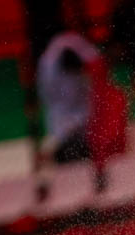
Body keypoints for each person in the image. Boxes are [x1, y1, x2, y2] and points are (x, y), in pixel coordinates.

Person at [37, 33, 99, 163]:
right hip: (60, 109)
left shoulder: (81, 51)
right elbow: (49, 101)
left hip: (80, 110)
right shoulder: (48, 70)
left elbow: (89, 99)